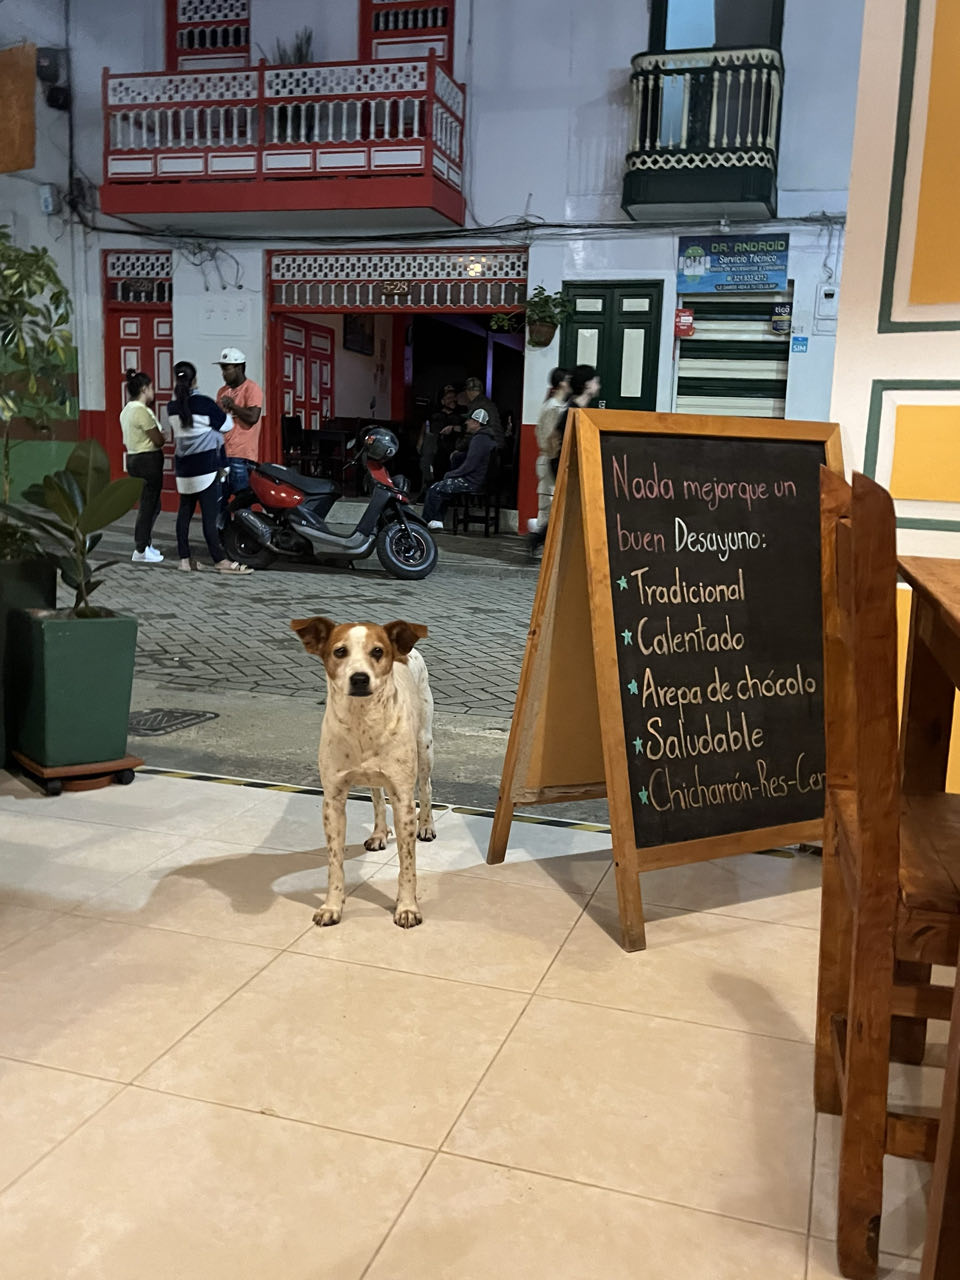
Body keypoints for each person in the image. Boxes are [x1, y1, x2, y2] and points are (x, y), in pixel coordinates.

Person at [167, 360, 252, 574]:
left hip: (183, 469)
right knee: (209, 516)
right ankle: (220, 560)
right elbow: (227, 425)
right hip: (205, 468)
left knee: (184, 514)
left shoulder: (172, 407)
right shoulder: (204, 403)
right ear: (194, 379)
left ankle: (184, 560)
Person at [528, 363, 600, 558]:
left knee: (565, 509)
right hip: (563, 465)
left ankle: (542, 540)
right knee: (558, 508)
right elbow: (552, 438)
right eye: (595, 381)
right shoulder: (568, 410)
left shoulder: (577, 408)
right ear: (587, 384)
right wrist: (560, 462)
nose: (598, 385)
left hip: (569, 465)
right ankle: (542, 541)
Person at [422, 407, 498, 529]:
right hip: (479, 480)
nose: (466, 423)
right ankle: (437, 520)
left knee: (434, 489)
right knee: (444, 488)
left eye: (469, 420)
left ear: (476, 422)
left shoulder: (479, 440)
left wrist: (451, 474)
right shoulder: (486, 438)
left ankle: (425, 522)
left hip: (472, 482)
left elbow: (469, 466)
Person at [121, 369, 165, 563]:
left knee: (152, 504)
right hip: (147, 460)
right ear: (144, 389)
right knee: (148, 505)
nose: (153, 391)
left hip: (134, 458)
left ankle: (145, 544)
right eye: (151, 387)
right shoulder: (140, 411)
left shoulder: (127, 410)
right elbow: (158, 439)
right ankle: (141, 548)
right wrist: (163, 436)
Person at [215, 347, 264, 512]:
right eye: (222, 369)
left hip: (241, 456)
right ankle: (222, 528)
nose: (223, 374)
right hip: (223, 454)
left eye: (226, 369)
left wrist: (233, 406)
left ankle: (242, 529)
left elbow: (253, 417)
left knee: (242, 501)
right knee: (219, 499)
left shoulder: (252, 388)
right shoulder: (222, 391)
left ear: (239, 367)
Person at [527, 366, 569, 538]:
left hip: (554, 460)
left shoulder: (559, 406)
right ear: (562, 383)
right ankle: (541, 542)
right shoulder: (553, 407)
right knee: (548, 506)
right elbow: (547, 436)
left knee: (554, 506)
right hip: (550, 459)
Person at [420, 384, 464, 488]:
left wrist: (454, 428)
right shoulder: (434, 413)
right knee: (428, 468)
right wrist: (420, 441)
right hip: (435, 448)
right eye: (449, 398)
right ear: (442, 401)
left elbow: (466, 429)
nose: (452, 400)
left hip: (452, 449)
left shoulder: (461, 414)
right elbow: (425, 426)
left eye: (454, 397)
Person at [463, 376, 503, 447]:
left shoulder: (477, 406)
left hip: (489, 446)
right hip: (495, 443)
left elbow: (473, 429)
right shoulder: (486, 403)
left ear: (468, 391)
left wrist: (459, 447)